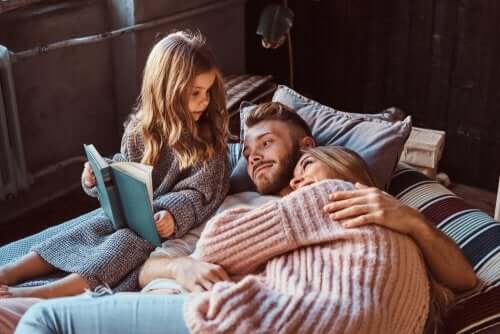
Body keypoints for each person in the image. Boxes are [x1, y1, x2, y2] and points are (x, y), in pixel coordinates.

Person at [13, 102, 476, 333]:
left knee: (46, 321)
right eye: (247, 152)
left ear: (309, 152)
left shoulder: (354, 201)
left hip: (238, 317)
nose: (252, 160)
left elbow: (465, 279)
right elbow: (150, 261)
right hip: (179, 290)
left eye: (267, 145)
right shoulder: (224, 198)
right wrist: (181, 265)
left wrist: (412, 220)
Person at [0, 30, 230, 300]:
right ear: (166, 92)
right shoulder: (140, 131)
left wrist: (173, 215)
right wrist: (100, 177)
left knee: (124, 245)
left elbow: (202, 194)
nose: (204, 101)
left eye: (208, 91)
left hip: (156, 227)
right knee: (85, 230)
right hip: (132, 216)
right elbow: (126, 167)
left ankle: (44, 293)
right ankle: (8, 272)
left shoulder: (209, 143)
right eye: (195, 93)